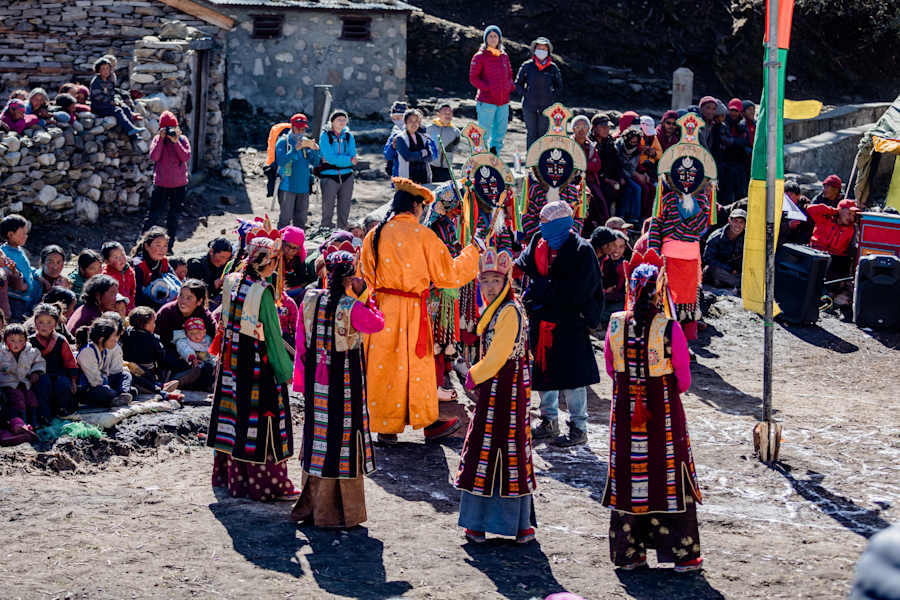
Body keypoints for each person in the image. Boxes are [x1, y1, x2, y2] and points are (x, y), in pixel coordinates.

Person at [360, 178, 481, 444]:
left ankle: (386, 427)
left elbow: (365, 276)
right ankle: (427, 421)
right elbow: (449, 275)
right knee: (418, 366)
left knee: (387, 367)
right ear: (415, 206)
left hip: (383, 310)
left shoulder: (374, 235)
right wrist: (474, 252)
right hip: (415, 309)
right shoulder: (425, 236)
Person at [602, 257, 703, 572]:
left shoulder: (616, 323)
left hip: (625, 413)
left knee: (629, 476)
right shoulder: (669, 327)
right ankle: (683, 556)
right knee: (668, 474)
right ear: (660, 293)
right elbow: (683, 381)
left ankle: (630, 554)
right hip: (663, 414)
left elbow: (609, 367)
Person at [291, 250, 385, 527]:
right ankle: (339, 511)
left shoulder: (309, 300)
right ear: (351, 276)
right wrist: (366, 295)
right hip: (344, 382)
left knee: (318, 432)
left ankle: (312, 504)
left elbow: (300, 339)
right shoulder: (352, 307)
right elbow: (377, 324)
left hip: (316, 380)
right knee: (343, 435)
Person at [208, 230, 298, 502]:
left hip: (231, 362)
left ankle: (230, 477)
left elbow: (223, 322)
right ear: (268, 263)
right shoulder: (263, 292)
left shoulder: (232, 281)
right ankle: (267, 484)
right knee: (262, 418)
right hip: (256, 365)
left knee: (233, 415)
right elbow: (272, 335)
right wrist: (286, 372)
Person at [455, 248, 537, 544]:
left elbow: (498, 357)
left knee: (495, 448)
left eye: (495, 280)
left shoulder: (509, 312)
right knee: (498, 447)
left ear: (506, 282)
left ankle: (497, 524)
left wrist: (471, 374)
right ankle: (511, 524)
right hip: (500, 387)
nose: (489, 286)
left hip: (505, 387)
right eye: (485, 280)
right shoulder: (498, 310)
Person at [515, 201, 602, 447]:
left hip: (570, 322)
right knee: (545, 373)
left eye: (546, 223)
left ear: (560, 225)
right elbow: (522, 265)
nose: (541, 227)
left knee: (573, 378)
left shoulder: (582, 250)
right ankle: (548, 421)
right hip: (541, 321)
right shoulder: (537, 242)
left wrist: (542, 291)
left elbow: (585, 290)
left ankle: (578, 428)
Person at [154, 279, 215, 389]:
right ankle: (177, 380)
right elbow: (159, 343)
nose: (182, 301)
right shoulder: (167, 312)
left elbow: (215, 338)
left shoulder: (204, 315)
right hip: (172, 359)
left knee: (208, 368)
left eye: (189, 298)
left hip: (199, 358)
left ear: (199, 301)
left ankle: (182, 381)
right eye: (181, 296)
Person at [145, 111, 190, 248]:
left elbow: (185, 157)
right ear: (161, 128)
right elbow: (154, 157)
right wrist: (160, 139)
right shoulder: (157, 140)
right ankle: (145, 244)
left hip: (179, 185)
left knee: (173, 217)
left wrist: (175, 142)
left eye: (172, 128)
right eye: (167, 128)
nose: (170, 131)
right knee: (154, 215)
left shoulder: (182, 139)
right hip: (161, 184)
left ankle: (168, 247)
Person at [469, 26, 515, 155]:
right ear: (486, 39)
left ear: (499, 39)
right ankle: (481, 159)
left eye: (496, 36)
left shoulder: (504, 56)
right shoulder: (480, 56)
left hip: (503, 102)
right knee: (484, 133)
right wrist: (488, 88)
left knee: (499, 133)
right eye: (490, 36)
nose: (493, 38)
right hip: (487, 102)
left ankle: (495, 160)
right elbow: (473, 78)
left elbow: (510, 75)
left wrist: (509, 87)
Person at [29, 303, 78, 419]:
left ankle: (62, 410)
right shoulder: (30, 341)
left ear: (55, 324)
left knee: (63, 384)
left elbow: (70, 361)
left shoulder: (60, 340)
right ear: (35, 322)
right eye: (40, 322)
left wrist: (73, 381)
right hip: (40, 375)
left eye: (49, 322)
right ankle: (44, 414)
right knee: (43, 384)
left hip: (59, 373)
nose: (44, 326)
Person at [516, 36, 563, 150]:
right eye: (539, 48)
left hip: (546, 107)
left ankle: (542, 161)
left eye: (544, 48)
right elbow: (518, 83)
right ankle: (531, 163)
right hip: (529, 106)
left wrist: (551, 97)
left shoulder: (553, 68)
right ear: (534, 49)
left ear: (548, 51)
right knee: (531, 134)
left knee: (543, 134)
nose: (541, 51)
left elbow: (559, 86)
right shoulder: (527, 66)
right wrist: (526, 94)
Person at [275, 113, 320, 229]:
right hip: (287, 187)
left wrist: (315, 150)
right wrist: (294, 150)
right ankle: (281, 244)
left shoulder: (306, 142)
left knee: (301, 220)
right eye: (298, 128)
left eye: (303, 129)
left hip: (303, 188)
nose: (301, 131)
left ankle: (298, 245)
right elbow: (280, 161)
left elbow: (315, 163)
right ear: (292, 127)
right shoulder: (283, 142)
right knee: (285, 219)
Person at [75, 317, 131, 407]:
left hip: (103, 382)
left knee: (125, 375)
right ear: (101, 339)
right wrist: (110, 389)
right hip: (89, 388)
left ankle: (122, 394)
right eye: (113, 336)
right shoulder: (87, 352)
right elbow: (95, 381)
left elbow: (106, 373)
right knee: (105, 392)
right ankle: (116, 396)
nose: (116, 340)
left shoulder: (104, 350)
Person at [89, 57, 144, 146]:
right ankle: (130, 129)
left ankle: (134, 134)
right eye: (103, 69)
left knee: (125, 108)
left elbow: (112, 93)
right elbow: (97, 96)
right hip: (98, 106)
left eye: (107, 68)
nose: (106, 71)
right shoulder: (96, 81)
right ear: (98, 70)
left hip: (108, 104)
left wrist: (115, 101)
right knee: (117, 110)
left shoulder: (109, 81)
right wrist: (110, 102)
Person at [120, 306, 175, 397]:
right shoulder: (153, 339)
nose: (155, 325)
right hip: (147, 371)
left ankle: (142, 387)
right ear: (143, 324)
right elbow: (161, 357)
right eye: (153, 323)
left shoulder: (126, 334)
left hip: (129, 368)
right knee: (164, 368)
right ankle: (158, 386)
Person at [0, 323, 47, 429]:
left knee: (31, 398)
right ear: (5, 341)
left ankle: (35, 421)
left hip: (25, 383)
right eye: (12, 340)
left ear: (26, 340)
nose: (16, 344)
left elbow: (39, 362)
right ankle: (22, 422)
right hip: (8, 384)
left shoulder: (31, 352)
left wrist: (36, 372)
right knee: (18, 399)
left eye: (20, 340)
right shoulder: (1, 353)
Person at [318, 110, 358, 229]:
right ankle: (325, 231)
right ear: (332, 122)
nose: (342, 122)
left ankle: (342, 232)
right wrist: (348, 160)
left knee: (345, 208)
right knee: (327, 208)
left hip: (347, 176)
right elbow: (329, 158)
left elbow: (353, 155)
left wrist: (341, 159)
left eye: (344, 119)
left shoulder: (348, 136)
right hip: (329, 176)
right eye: (339, 119)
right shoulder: (325, 136)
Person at [808, 198, 860, 281]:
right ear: (840, 210)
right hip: (815, 252)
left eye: (853, 215)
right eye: (849, 213)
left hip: (835, 260)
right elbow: (810, 209)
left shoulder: (852, 229)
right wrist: (833, 211)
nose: (851, 218)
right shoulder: (825, 219)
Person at [1, 214, 41, 320]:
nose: (26, 236)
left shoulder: (18, 250)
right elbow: (10, 276)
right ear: (10, 234)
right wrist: (24, 286)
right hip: (15, 298)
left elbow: (26, 268)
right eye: (23, 233)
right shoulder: (5, 254)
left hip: (25, 295)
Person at [572, 115, 606, 236]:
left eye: (584, 127)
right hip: (571, 180)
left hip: (589, 180)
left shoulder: (591, 146)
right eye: (577, 127)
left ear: (588, 129)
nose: (581, 130)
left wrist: (581, 164)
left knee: (598, 199)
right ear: (573, 129)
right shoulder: (569, 144)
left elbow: (596, 165)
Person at [131, 227, 179, 309]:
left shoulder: (163, 261)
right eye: (158, 245)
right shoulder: (138, 265)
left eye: (165, 246)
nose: (162, 250)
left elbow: (176, 282)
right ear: (147, 246)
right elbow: (137, 296)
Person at [589, 114, 625, 221]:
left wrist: (620, 177)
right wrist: (607, 180)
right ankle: (604, 220)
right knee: (606, 193)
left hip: (610, 177)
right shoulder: (590, 143)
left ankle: (621, 218)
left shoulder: (609, 141)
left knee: (628, 187)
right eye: (603, 127)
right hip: (597, 178)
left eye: (608, 127)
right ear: (594, 128)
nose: (607, 130)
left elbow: (617, 161)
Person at [715, 99, 750, 206]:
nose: (734, 113)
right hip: (726, 163)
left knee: (741, 192)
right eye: (732, 110)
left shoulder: (742, 124)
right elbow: (726, 141)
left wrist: (735, 142)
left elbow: (746, 141)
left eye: (736, 110)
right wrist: (737, 141)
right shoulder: (724, 123)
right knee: (727, 193)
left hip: (740, 163)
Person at [702, 208, 746, 290]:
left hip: (738, 272)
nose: (738, 225)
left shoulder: (747, 238)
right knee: (711, 269)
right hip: (721, 270)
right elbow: (708, 259)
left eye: (741, 222)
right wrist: (729, 269)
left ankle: (735, 283)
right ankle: (738, 284)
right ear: (729, 221)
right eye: (735, 221)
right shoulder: (716, 237)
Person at [390, 108, 434, 183]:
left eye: (416, 121)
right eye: (410, 121)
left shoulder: (423, 138)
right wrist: (422, 153)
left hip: (424, 178)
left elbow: (430, 157)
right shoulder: (400, 138)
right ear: (405, 122)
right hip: (406, 179)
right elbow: (407, 157)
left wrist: (415, 156)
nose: (414, 124)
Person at [186, 237, 233, 308]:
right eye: (222, 257)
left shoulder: (226, 266)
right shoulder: (195, 264)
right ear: (211, 252)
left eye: (227, 258)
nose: (224, 261)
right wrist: (214, 284)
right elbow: (194, 291)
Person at [615, 126, 648, 225]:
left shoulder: (636, 151)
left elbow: (632, 167)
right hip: (616, 175)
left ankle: (635, 217)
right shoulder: (617, 147)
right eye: (631, 142)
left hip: (628, 175)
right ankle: (623, 215)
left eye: (635, 142)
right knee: (631, 189)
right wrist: (620, 177)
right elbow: (615, 164)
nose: (632, 144)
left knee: (637, 188)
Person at [173, 317, 214, 385]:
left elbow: (213, 354)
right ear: (186, 333)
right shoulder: (183, 341)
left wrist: (214, 364)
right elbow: (184, 349)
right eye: (192, 333)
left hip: (204, 367)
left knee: (208, 368)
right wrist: (191, 357)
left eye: (199, 332)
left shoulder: (208, 340)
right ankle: (178, 382)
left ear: (204, 332)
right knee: (188, 371)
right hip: (189, 366)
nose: (196, 335)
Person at [426, 103, 461, 183]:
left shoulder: (455, 132)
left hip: (446, 167)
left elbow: (455, 148)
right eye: (445, 112)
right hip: (431, 166)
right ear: (438, 114)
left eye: (450, 112)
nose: (448, 114)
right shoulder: (429, 129)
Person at [101, 241, 136, 311]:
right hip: (115, 310)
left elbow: (132, 291)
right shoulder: (106, 276)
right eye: (116, 257)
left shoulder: (129, 271)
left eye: (123, 255)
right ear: (107, 261)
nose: (121, 259)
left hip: (129, 307)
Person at [782, 180, 814, 245]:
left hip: (801, 245)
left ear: (798, 196)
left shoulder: (806, 208)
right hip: (783, 244)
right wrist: (788, 225)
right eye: (785, 195)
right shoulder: (779, 207)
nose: (787, 198)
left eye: (790, 195)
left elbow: (811, 229)